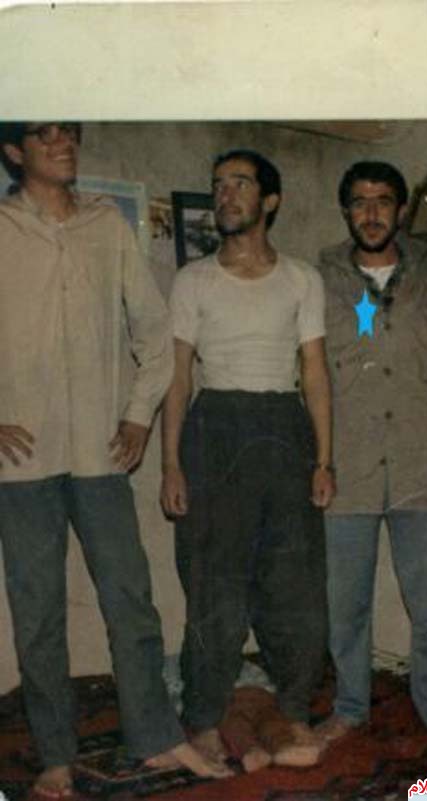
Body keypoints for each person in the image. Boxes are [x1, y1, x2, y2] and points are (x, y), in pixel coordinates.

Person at [0, 122, 231, 799]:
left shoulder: (106, 226)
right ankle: (55, 757)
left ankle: (156, 739)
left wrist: (137, 413)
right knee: (38, 613)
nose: (62, 143)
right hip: (22, 464)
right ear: (13, 152)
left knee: (131, 600)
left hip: (100, 456)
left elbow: (156, 331)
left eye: (68, 133)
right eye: (44, 135)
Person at [161, 149, 334, 769]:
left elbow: (314, 372)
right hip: (214, 430)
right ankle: (205, 718)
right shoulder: (193, 281)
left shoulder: (302, 279)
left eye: (240, 183)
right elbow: (178, 377)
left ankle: (293, 711)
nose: (225, 194)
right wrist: (171, 464)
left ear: (270, 200)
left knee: (295, 585)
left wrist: (324, 460)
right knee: (215, 588)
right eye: (218, 185)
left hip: (284, 429)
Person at [315, 161, 427, 756]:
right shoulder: (324, 277)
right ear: (346, 211)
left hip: (417, 466)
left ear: (400, 209)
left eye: (383, 200)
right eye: (359, 201)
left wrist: (422, 415)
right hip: (349, 468)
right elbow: (313, 365)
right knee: (346, 604)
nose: (371, 212)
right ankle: (349, 707)